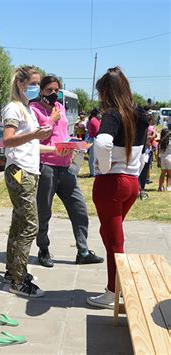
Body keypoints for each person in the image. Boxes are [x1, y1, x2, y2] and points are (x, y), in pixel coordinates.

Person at [87, 67, 148, 309]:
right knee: (109, 234)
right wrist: (132, 166)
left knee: (114, 241)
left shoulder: (113, 114)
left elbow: (102, 142)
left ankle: (114, 291)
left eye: (102, 93)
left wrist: (103, 165)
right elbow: (144, 151)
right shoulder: (140, 114)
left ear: (107, 92)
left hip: (112, 183)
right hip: (132, 182)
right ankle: (116, 287)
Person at [30, 76, 104, 268]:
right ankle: (43, 249)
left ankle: (83, 251)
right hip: (46, 166)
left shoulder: (61, 108)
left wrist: (74, 143)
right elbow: (38, 135)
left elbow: (62, 134)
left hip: (66, 166)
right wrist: (51, 119)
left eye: (56, 90)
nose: (53, 94)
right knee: (43, 211)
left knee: (79, 208)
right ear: (41, 91)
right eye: (49, 90)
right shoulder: (34, 109)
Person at [2, 66, 52, 297]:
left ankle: (13, 271)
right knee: (30, 224)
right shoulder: (14, 108)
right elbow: (9, 140)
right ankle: (19, 280)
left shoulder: (27, 109)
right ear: (21, 84)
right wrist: (34, 135)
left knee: (19, 222)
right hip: (19, 171)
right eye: (33, 83)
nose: (37, 88)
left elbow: (30, 143)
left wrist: (54, 148)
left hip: (27, 170)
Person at [138, 114, 157, 199]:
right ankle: (140, 188)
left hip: (145, 149)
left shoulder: (143, 128)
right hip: (145, 150)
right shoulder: (149, 128)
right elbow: (151, 137)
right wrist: (154, 135)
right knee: (143, 170)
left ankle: (140, 188)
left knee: (143, 170)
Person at [87, 108, 101, 177]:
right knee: (93, 157)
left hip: (92, 139)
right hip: (93, 139)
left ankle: (93, 171)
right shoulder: (94, 120)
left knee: (93, 157)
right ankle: (93, 172)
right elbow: (97, 131)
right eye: (99, 114)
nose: (100, 115)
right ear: (97, 114)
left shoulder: (94, 120)